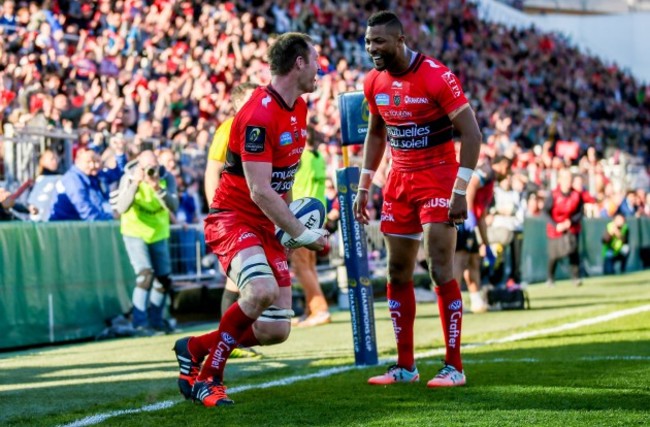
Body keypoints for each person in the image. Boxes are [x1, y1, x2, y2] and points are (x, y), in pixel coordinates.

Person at [173, 32, 327, 407]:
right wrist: (300, 232)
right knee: (260, 291)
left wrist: (287, 234)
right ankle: (209, 379)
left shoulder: (299, 109)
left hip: (268, 223)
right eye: (316, 60)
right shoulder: (258, 114)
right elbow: (259, 190)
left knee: (276, 330)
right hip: (235, 217)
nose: (321, 69)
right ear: (299, 63)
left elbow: (283, 180)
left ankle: (193, 347)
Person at [353, 11, 481, 388]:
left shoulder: (436, 76)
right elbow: (376, 133)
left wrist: (459, 191)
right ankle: (406, 367)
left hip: (439, 178)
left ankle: (454, 366)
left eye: (379, 42)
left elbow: (471, 135)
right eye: (367, 42)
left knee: (440, 269)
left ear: (400, 39)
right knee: (397, 272)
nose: (372, 49)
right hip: (399, 182)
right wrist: (364, 186)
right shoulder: (373, 81)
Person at [204, 82, 259, 321]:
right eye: (252, 98)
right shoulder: (227, 128)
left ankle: (235, 336)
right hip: (233, 211)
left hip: (257, 210)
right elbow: (212, 170)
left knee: (245, 278)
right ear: (237, 104)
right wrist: (215, 210)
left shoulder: (261, 128)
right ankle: (229, 338)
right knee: (237, 277)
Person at [111, 150, 179, 334]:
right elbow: (122, 207)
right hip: (135, 231)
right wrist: (135, 183)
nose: (151, 170)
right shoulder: (129, 177)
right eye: (146, 167)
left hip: (158, 232)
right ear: (138, 165)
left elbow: (174, 206)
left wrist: (157, 187)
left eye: (154, 167)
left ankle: (156, 321)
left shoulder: (167, 178)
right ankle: (140, 323)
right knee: (145, 275)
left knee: (164, 280)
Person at [290, 131, 331, 327]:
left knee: (300, 266)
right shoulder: (319, 157)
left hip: (301, 217)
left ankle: (319, 309)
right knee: (309, 266)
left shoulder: (301, 157)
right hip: (318, 215)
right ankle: (310, 309)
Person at [49, 147, 124, 221]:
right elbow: (85, 210)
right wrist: (110, 218)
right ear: (77, 161)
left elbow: (117, 174)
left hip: (88, 223)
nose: (93, 165)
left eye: (96, 161)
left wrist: (120, 153)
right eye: (88, 162)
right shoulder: (73, 180)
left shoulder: (94, 175)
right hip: (67, 227)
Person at [543, 168, 586, 287]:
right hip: (555, 229)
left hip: (571, 227)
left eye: (569, 178)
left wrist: (570, 222)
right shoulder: (553, 195)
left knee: (573, 252)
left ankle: (576, 277)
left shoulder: (576, 195)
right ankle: (550, 278)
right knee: (554, 255)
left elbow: (580, 212)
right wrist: (556, 225)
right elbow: (545, 212)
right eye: (565, 178)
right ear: (559, 180)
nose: (568, 181)